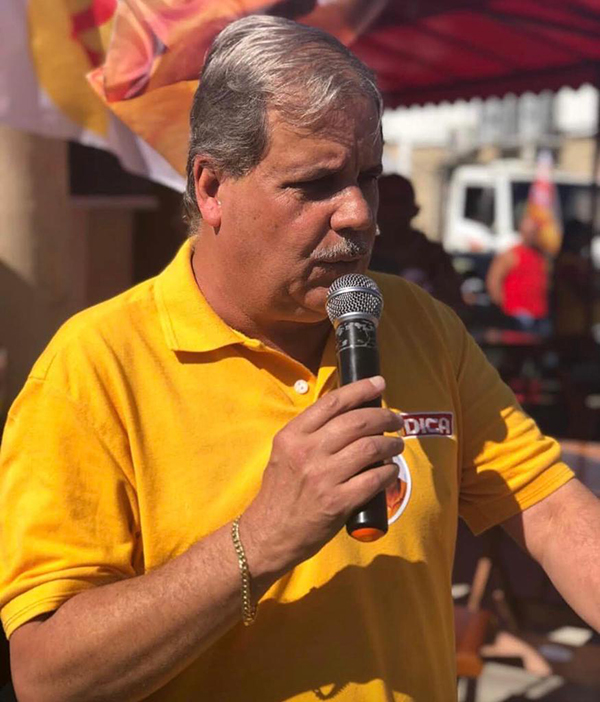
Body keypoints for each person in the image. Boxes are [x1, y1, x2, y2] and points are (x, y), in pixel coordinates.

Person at [1, 16, 599, 702]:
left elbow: (549, 506)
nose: (358, 214)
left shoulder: (419, 324)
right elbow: (46, 676)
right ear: (211, 187)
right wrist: (258, 541)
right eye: (316, 184)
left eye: (368, 177)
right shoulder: (94, 367)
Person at [370, 174, 465, 313]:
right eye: (386, 201)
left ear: (414, 209)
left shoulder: (433, 256)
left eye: (399, 202)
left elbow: (453, 307)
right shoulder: (363, 254)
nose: (393, 210)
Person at [486, 215, 551, 335]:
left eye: (535, 232)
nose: (533, 235)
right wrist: (503, 308)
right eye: (530, 232)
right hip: (518, 316)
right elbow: (493, 281)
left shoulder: (541, 255)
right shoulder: (511, 255)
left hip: (539, 315)